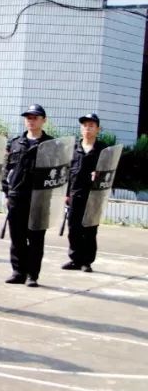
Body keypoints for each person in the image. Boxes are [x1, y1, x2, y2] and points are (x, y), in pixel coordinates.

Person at [2, 104, 54, 287]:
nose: (31, 121)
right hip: (17, 197)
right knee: (17, 238)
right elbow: (6, 169)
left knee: (36, 238)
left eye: (35, 117)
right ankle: (18, 272)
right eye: (28, 118)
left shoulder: (51, 145)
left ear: (43, 120)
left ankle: (33, 275)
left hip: (39, 200)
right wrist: (7, 193)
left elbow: (59, 173)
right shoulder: (15, 143)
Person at [64, 113, 109, 273]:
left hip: (94, 196)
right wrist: (66, 193)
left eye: (91, 125)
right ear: (81, 128)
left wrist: (100, 176)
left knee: (89, 230)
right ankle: (75, 259)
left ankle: (86, 261)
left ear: (98, 129)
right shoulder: (73, 149)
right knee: (73, 228)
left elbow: (111, 174)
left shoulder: (103, 150)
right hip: (75, 194)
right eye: (84, 125)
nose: (87, 128)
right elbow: (67, 172)